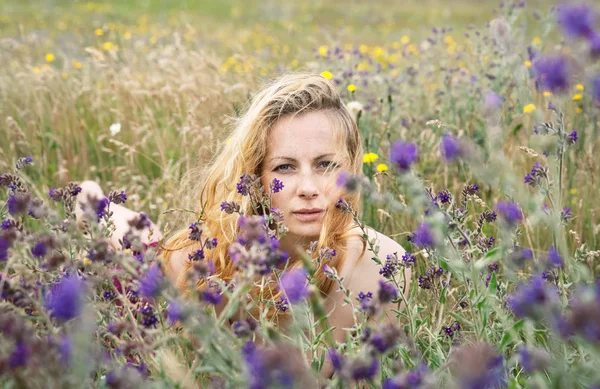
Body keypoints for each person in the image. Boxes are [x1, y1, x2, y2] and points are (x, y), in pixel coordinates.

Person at [76, 72, 410, 383]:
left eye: (325, 164)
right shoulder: (202, 264)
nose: (308, 187)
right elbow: (84, 197)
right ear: (257, 179)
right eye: (285, 167)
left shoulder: (385, 268)